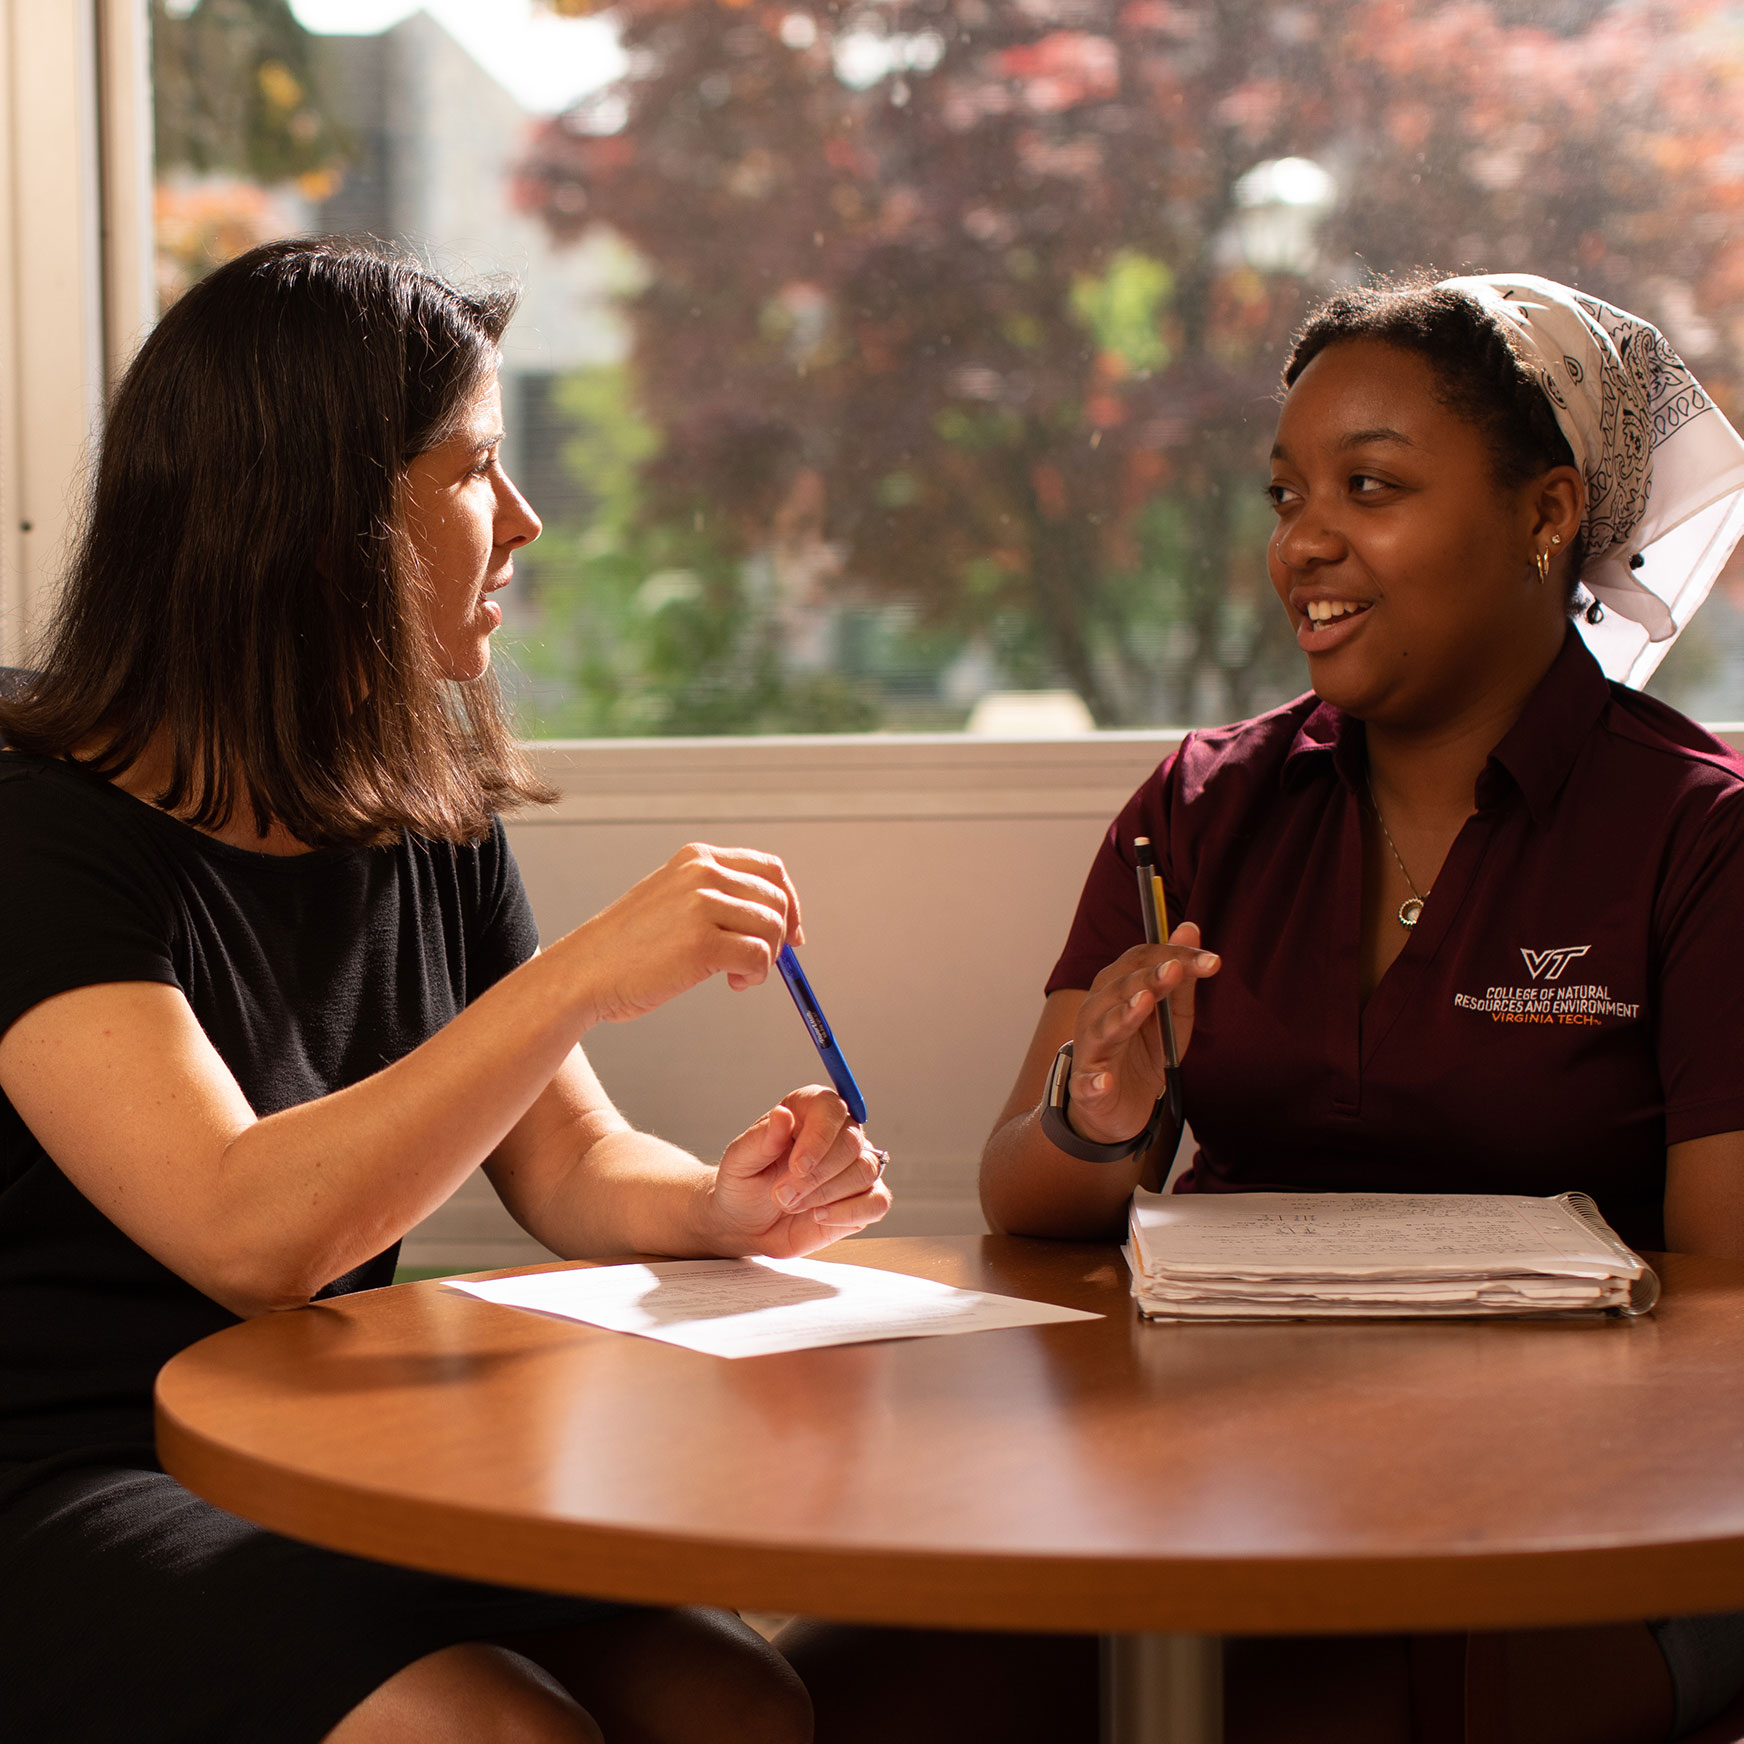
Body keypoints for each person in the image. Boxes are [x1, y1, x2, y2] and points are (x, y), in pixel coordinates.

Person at [787, 275, 1744, 1742]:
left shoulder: (1700, 839)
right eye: (1287, 492)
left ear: (1548, 512)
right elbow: (1024, 1200)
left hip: (1585, 1522)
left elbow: (1729, 1314)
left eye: (1371, 487)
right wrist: (1095, 1117)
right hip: (1221, 1474)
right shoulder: (1202, 807)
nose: (1303, 541)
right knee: (838, 1690)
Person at [0, 238, 891, 1744]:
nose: (526, 523)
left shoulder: (421, 808)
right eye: (477, 470)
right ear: (320, 519)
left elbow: (573, 1157)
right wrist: (577, 980)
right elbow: (249, 1231)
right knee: (494, 1732)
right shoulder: (41, 833)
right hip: (74, 1471)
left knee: (738, 1701)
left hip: (334, 1449)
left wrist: (720, 1207)